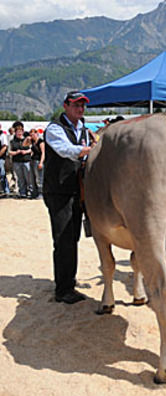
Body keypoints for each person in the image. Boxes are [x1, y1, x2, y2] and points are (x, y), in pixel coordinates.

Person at [43, 90, 93, 304]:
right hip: (58, 190)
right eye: (76, 105)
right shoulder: (55, 128)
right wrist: (89, 150)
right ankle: (63, 290)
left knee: (72, 238)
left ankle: (68, 281)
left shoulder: (84, 129)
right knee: (63, 239)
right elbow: (65, 150)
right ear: (65, 106)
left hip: (76, 190)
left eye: (82, 105)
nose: (80, 109)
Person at [8, 121, 33, 198]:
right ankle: (22, 192)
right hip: (17, 162)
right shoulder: (12, 141)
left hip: (26, 161)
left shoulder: (27, 139)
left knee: (28, 178)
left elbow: (32, 149)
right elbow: (9, 152)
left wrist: (25, 151)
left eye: (20, 131)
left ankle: (30, 191)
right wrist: (16, 152)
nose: (19, 133)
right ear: (15, 132)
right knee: (20, 178)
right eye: (17, 132)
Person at [28, 129, 45, 198]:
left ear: (36, 134)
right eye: (31, 135)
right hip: (32, 160)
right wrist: (27, 139)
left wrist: (41, 162)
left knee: (39, 178)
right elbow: (24, 144)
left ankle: (41, 193)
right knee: (32, 178)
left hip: (38, 161)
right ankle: (34, 193)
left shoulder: (41, 142)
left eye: (33, 134)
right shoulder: (32, 142)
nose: (32, 136)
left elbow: (43, 152)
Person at [0, 126, 9, 196]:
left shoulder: (2, 135)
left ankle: (6, 190)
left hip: (0, 158)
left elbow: (4, 147)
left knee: (2, 174)